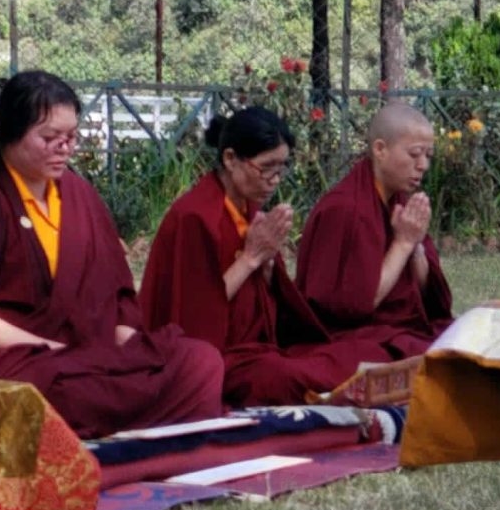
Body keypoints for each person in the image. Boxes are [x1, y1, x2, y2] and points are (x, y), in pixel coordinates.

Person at [0, 71, 223, 439]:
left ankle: (126, 420)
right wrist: (59, 352)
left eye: (70, 137)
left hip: (89, 357)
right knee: (55, 394)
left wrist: (129, 346)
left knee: (199, 361)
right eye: (49, 138)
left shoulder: (79, 197)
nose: (64, 148)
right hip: (23, 361)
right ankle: (130, 421)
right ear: (9, 134)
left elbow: (116, 301)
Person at [139, 107, 394, 406]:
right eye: (266, 167)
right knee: (288, 376)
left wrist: (269, 267)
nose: (275, 180)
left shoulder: (249, 210)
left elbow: (273, 303)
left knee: (362, 351)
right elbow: (191, 319)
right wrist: (250, 259)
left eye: (282, 167)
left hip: (260, 348)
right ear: (230, 159)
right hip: (215, 359)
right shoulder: (195, 216)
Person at [296, 103, 452, 352]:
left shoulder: (400, 202)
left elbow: (430, 297)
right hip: (348, 337)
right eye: (414, 154)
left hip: (399, 329)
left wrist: (414, 246)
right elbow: (356, 304)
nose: (423, 165)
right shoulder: (345, 208)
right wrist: (402, 244)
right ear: (380, 149)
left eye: (428, 156)